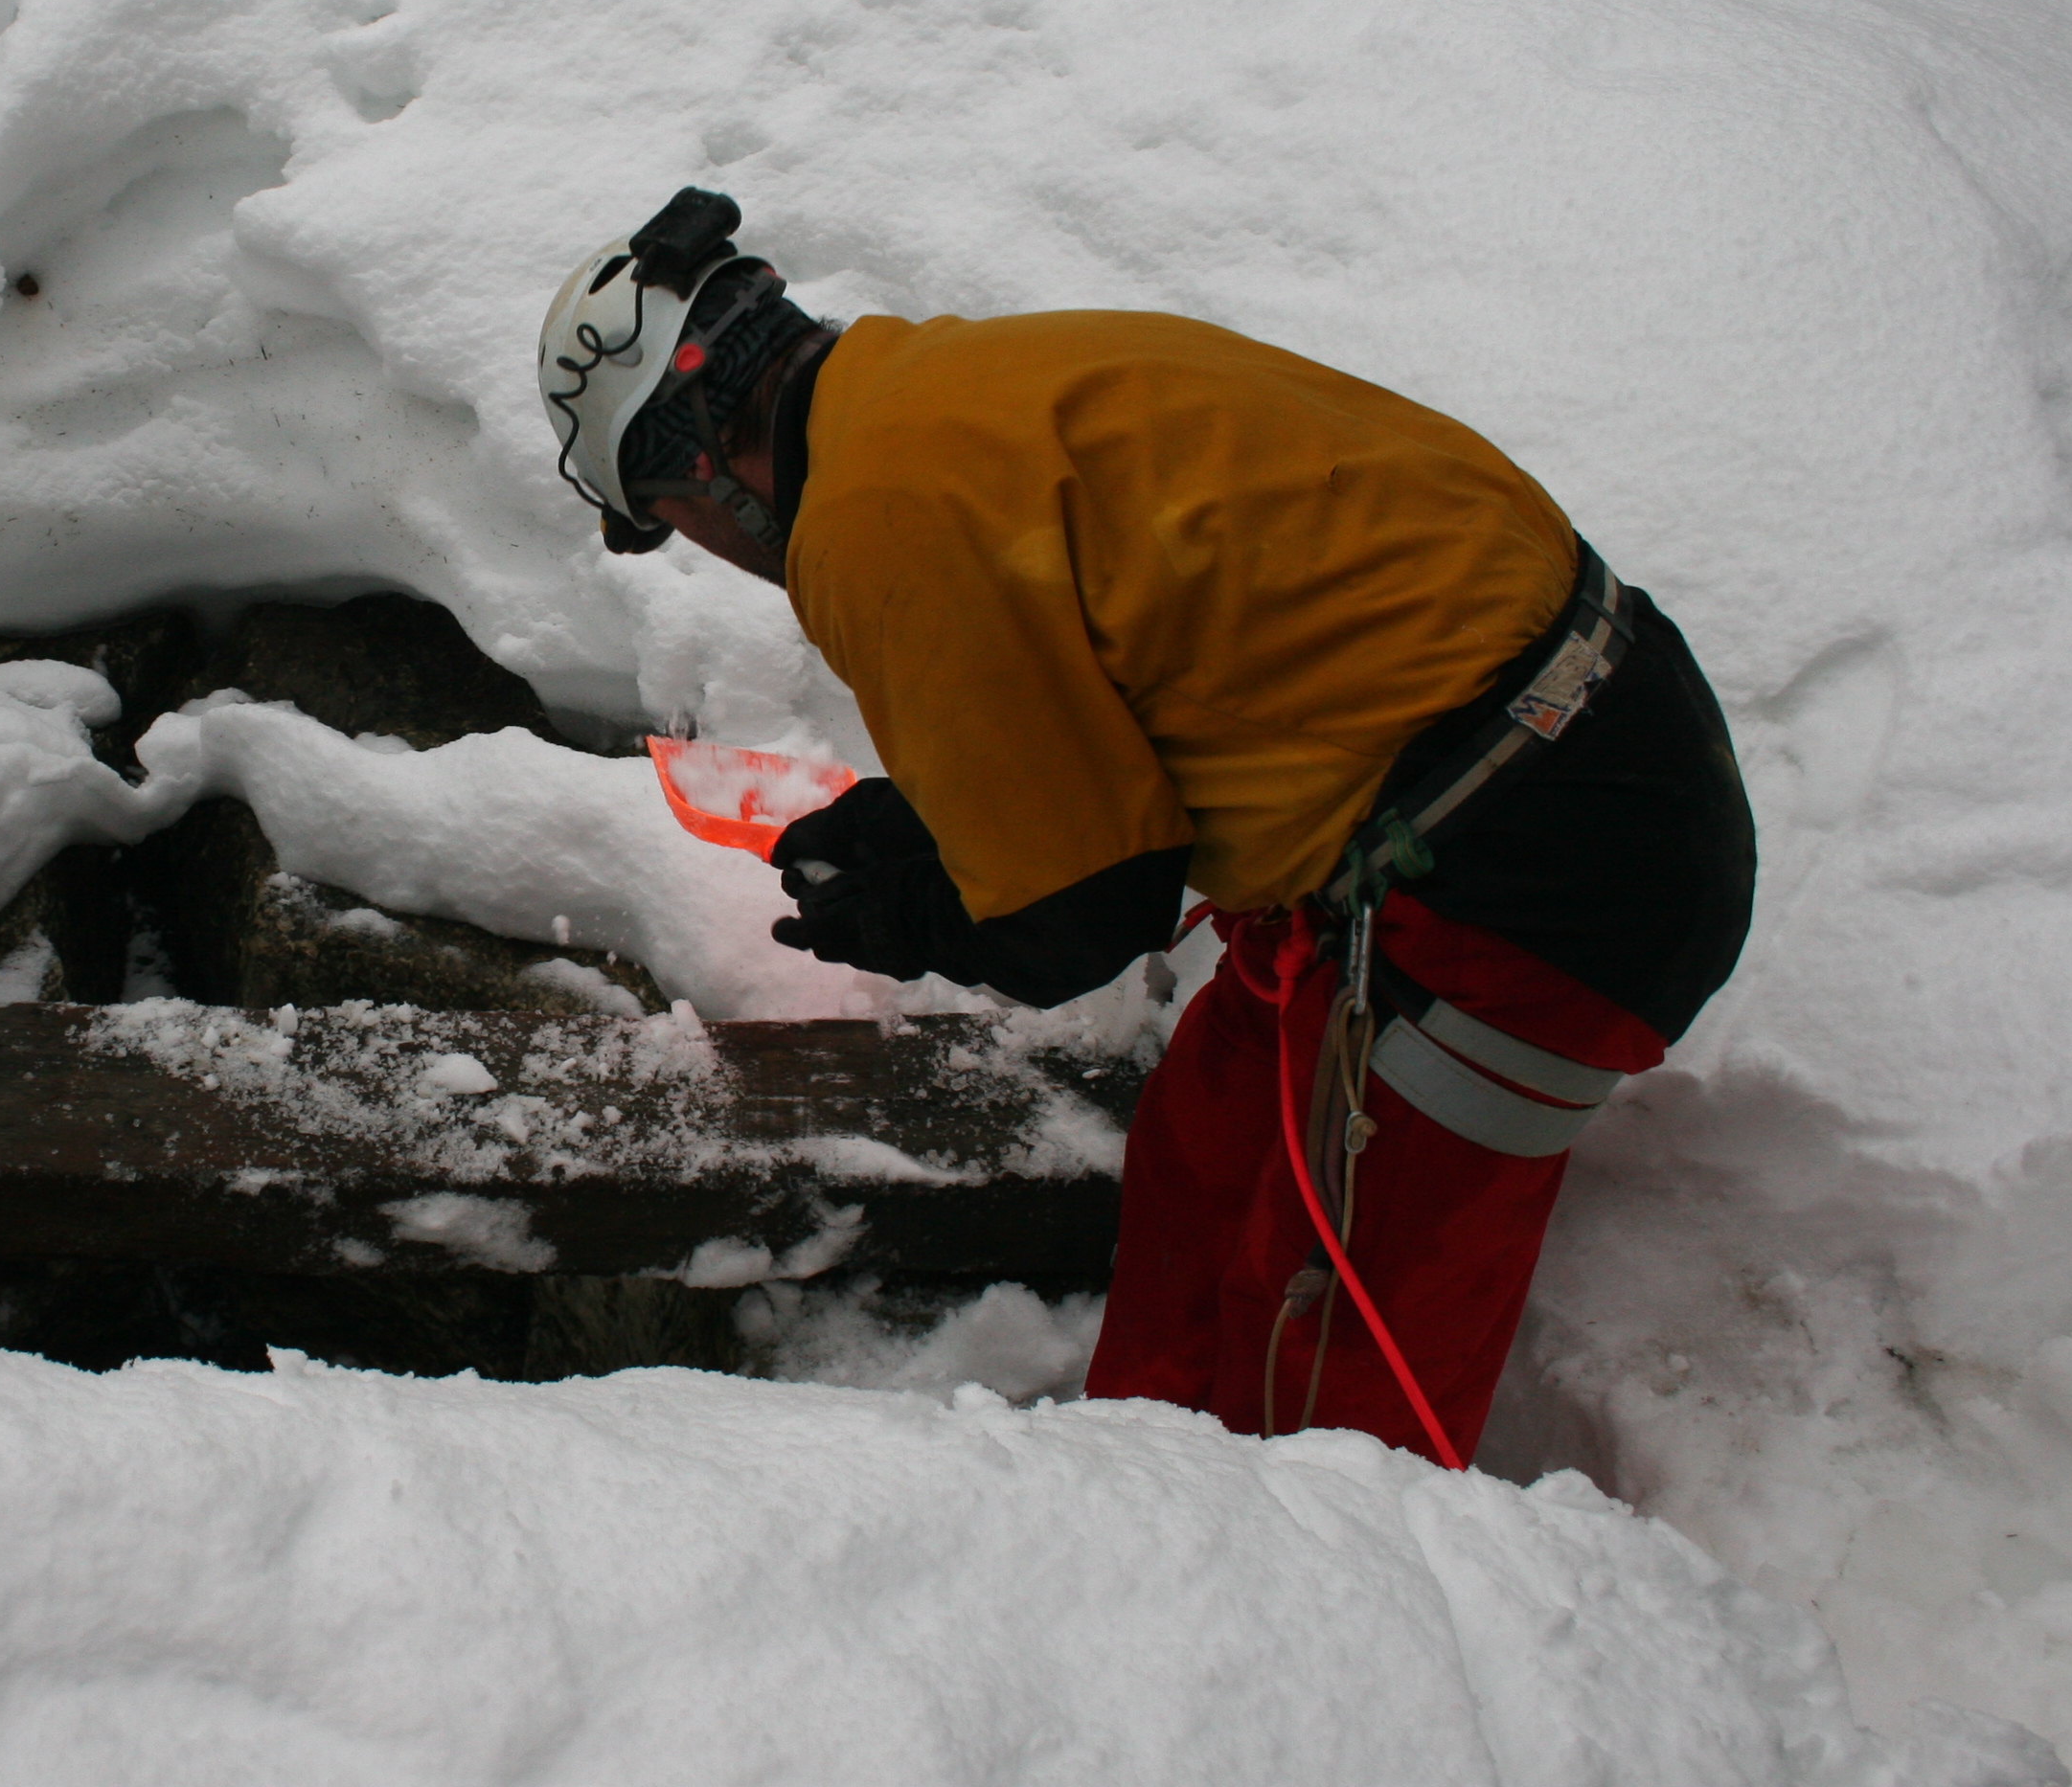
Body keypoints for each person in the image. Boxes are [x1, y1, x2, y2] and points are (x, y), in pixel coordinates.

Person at [539, 188, 1753, 1464]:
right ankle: (1141, 1490)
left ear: (701, 459)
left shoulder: (875, 520)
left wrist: (922, 910)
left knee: (1324, 1353)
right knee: (1208, 1151)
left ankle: (1315, 1597)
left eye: (664, 520)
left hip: (1539, 869)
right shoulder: (936, 393)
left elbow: (1083, 920)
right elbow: (1117, 674)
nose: (704, 550)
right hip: (1534, 758)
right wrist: (945, 816)